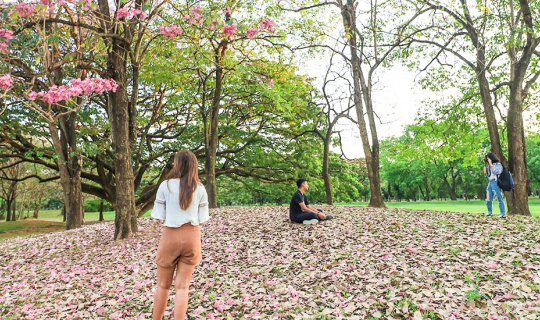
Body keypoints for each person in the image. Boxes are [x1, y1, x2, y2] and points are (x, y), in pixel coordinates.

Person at [151, 150, 209, 320]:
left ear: (177, 164)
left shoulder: (166, 185)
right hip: (192, 237)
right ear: (194, 165)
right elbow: (203, 218)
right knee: (183, 287)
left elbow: (158, 216)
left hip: (171, 236)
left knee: (163, 285)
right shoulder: (200, 188)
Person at [484, 152, 506, 218]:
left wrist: (490, 164)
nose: (487, 159)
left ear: (491, 158)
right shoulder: (489, 166)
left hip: (496, 182)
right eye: (486, 159)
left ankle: (503, 213)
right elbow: (485, 173)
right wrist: (485, 164)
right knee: (488, 198)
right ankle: (489, 212)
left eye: (488, 158)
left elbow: (496, 172)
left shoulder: (498, 164)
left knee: (499, 198)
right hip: (490, 183)